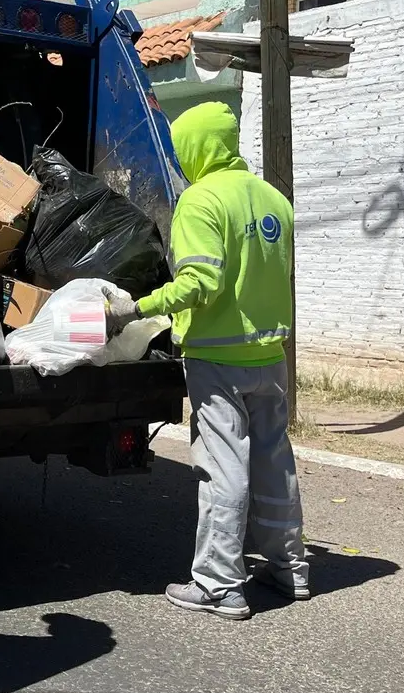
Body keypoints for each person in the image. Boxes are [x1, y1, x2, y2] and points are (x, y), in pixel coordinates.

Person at [104, 101, 307, 621]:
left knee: (223, 467)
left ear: (195, 147)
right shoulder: (274, 200)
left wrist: (135, 309)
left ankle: (219, 584)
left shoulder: (201, 201)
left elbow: (201, 283)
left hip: (218, 355)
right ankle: (290, 568)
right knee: (273, 458)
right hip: (270, 353)